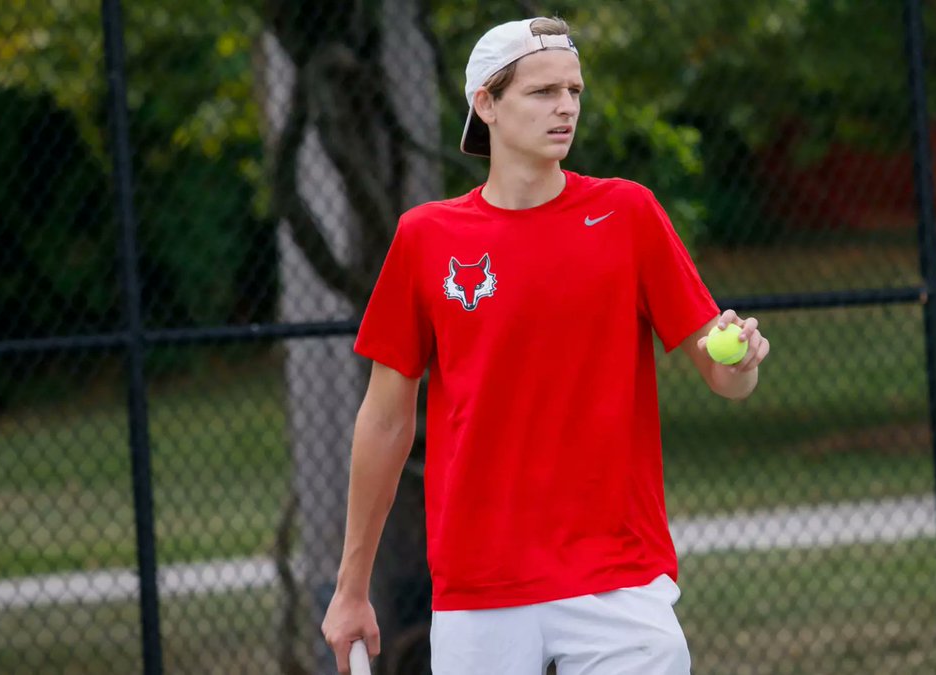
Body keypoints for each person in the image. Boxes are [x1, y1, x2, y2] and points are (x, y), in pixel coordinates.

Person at [321, 16, 770, 675]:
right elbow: (386, 419)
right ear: (487, 104)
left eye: (575, 90)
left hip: (619, 578)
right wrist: (351, 587)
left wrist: (744, 361)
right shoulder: (425, 238)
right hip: (481, 585)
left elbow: (720, 372)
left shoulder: (629, 214)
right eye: (542, 92)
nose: (566, 107)